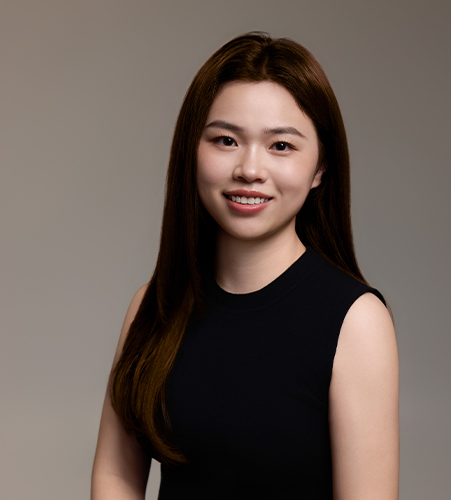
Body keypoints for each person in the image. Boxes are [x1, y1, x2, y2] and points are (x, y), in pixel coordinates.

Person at [91, 32, 399, 499]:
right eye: (226, 140)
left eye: (281, 146)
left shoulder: (357, 322)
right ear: (192, 151)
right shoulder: (154, 303)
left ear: (321, 168)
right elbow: (115, 475)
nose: (250, 169)